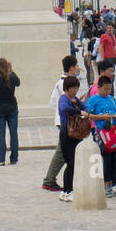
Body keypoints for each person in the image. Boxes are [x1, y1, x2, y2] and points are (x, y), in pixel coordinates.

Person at [43, 56, 82, 191]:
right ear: (71, 67)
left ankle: (50, 179)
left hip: (65, 120)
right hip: (66, 121)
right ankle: (49, 180)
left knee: (63, 152)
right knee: (62, 153)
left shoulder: (61, 82)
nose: (78, 68)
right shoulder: (64, 83)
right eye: (76, 66)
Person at [86, 74, 116, 196]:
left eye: (109, 89)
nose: (107, 92)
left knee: (114, 158)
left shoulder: (111, 98)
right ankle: (105, 186)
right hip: (101, 132)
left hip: (113, 132)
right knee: (106, 159)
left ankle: (112, 184)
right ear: (99, 87)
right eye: (105, 89)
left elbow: (115, 110)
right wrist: (102, 117)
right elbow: (87, 115)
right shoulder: (93, 100)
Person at [56, 76, 88, 202]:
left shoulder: (75, 99)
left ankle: (70, 189)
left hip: (76, 133)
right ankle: (67, 191)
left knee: (75, 162)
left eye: (77, 87)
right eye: (73, 87)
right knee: (70, 162)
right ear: (67, 88)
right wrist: (79, 112)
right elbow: (64, 109)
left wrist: (83, 110)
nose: (75, 90)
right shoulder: (64, 99)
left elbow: (85, 107)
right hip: (67, 133)